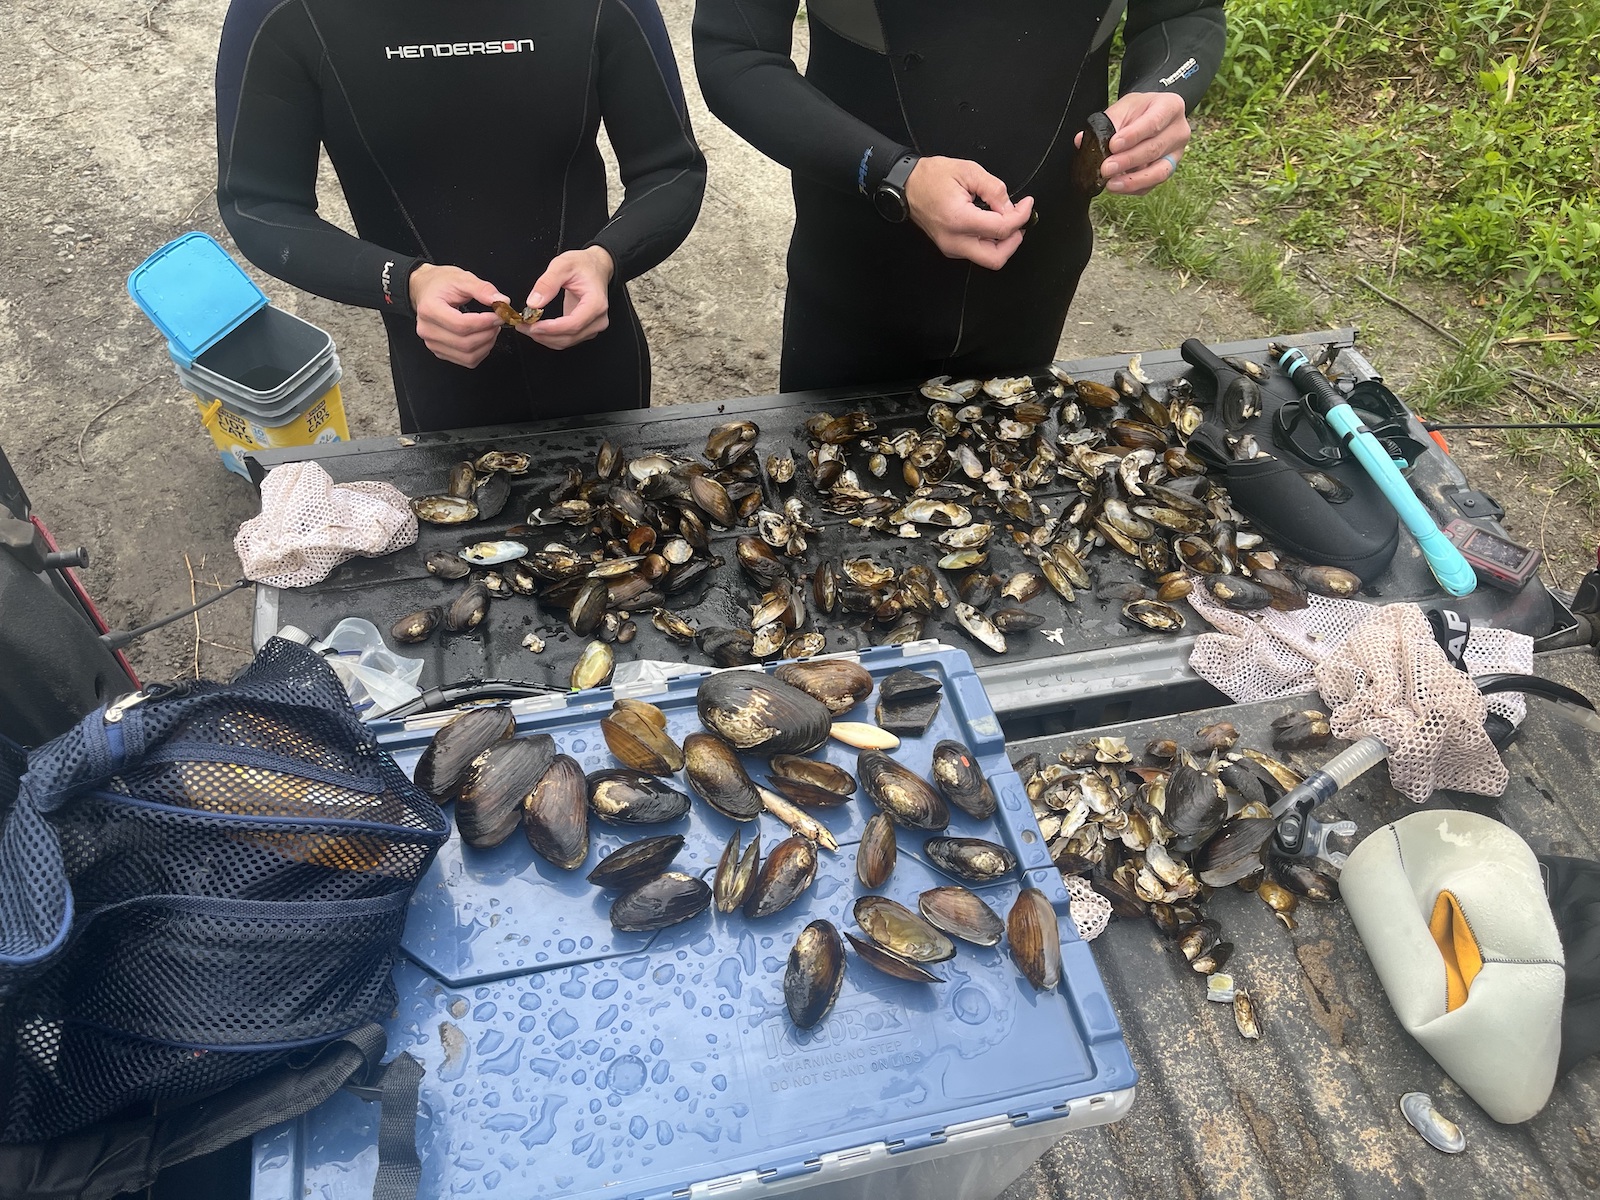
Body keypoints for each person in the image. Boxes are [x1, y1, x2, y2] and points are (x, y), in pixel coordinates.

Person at [216, 0, 707, 433]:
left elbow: (671, 168)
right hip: (441, 375)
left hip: (596, 352)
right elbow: (259, 204)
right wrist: (404, 283)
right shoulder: (284, 11)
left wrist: (605, 259)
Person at [693, 0, 1225, 392]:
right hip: (853, 279)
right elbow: (734, 52)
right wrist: (895, 175)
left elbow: (1187, 14)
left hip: (1037, 279)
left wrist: (1164, 90)